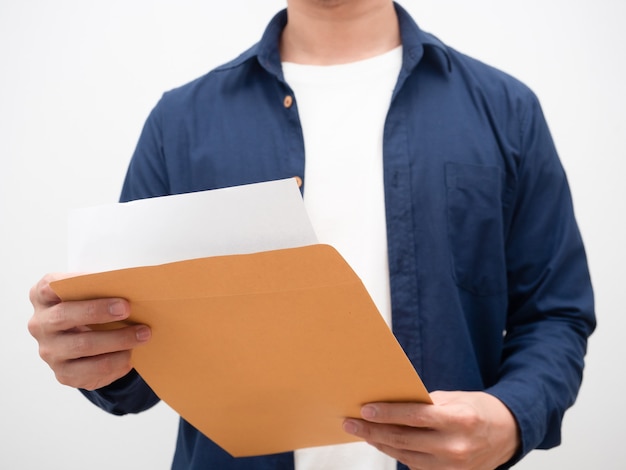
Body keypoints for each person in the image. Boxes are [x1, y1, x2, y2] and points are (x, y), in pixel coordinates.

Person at [28, 1, 595, 469]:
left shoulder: (505, 109)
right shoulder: (181, 122)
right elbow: (136, 365)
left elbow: (555, 315)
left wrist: (513, 417)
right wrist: (92, 350)